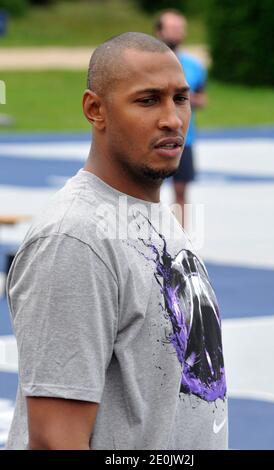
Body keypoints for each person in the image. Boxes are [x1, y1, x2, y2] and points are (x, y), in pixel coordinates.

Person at [6, 32, 227, 450]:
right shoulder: (75, 238)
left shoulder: (154, 217)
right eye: (148, 100)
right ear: (96, 110)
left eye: (180, 99)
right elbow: (57, 439)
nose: (173, 119)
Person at [155, 9, 208, 227]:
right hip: (151, 135)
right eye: (172, 28)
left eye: (180, 29)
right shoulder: (146, 64)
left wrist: (184, 98)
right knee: (145, 190)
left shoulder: (194, 65)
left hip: (185, 137)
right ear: (159, 32)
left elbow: (202, 99)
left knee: (181, 191)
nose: (177, 33)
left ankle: (181, 240)